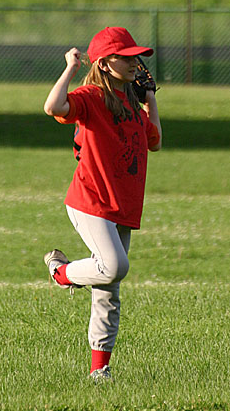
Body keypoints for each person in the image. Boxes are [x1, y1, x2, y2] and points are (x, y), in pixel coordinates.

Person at [43, 26, 162, 381]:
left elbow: (154, 141)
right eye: (125, 57)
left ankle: (100, 369)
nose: (134, 63)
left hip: (123, 202)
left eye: (135, 56)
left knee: (108, 290)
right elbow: (53, 106)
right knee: (112, 267)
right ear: (105, 63)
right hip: (90, 200)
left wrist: (150, 98)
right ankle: (61, 273)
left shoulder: (130, 102)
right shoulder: (92, 95)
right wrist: (70, 69)